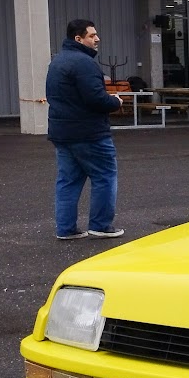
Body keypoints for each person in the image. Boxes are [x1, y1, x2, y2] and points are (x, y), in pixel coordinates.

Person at [45, 19, 125, 240]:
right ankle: (100, 225)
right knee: (105, 176)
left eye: (96, 34)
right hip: (89, 133)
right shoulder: (84, 64)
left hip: (62, 133)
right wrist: (115, 101)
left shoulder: (57, 61)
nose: (97, 39)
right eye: (91, 36)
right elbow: (95, 99)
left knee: (68, 181)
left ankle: (66, 229)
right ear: (78, 39)